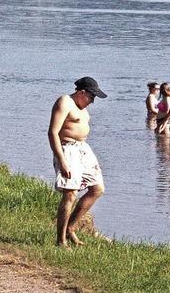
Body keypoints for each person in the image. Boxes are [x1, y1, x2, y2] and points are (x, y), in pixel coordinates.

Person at [48, 76, 107, 248]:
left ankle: (71, 228)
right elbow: (52, 133)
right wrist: (62, 161)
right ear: (82, 92)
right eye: (92, 97)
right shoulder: (64, 102)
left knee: (97, 189)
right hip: (67, 149)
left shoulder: (82, 107)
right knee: (70, 194)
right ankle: (61, 240)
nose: (92, 101)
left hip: (83, 149)